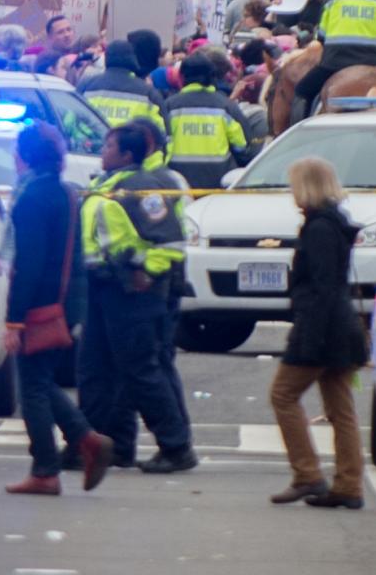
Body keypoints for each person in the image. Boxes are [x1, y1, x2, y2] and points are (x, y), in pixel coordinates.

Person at [77, 123, 197, 474]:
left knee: (141, 371)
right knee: (94, 370)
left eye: (109, 146)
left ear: (127, 154)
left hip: (133, 291)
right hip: (101, 287)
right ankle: (103, 445)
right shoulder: (104, 185)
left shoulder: (141, 188)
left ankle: (175, 447)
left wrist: (147, 271)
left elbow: (171, 243)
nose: (103, 150)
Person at [1, 121, 112, 495]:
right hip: (67, 299)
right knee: (40, 381)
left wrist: (15, 319)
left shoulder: (31, 198)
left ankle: (46, 467)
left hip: (42, 302)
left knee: (31, 387)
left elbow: (28, 263)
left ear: (25, 157)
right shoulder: (64, 192)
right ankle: (86, 439)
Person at [269, 157, 368, 509]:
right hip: (342, 326)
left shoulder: (319, 229)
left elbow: (321, 287)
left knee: (282, 395)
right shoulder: (333, 223)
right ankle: (349, 484)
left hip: (322, 327)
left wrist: (308, 339)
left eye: (294, 184)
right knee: (341, 409)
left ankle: (307, 473)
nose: (291, 192)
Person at [163, 51, 251, 191]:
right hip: (219, 180)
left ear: (181, 77)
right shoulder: (226, 106)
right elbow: (242, 146)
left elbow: (161, 144)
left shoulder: (169, 106)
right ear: (212, 76)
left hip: (178, 182)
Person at [79, 39, 166, 129]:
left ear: (106, 58)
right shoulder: (148, 92)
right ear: (133, 59)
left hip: (92, 141)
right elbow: (162, 134)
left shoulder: (86, 85)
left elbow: (70, 120)